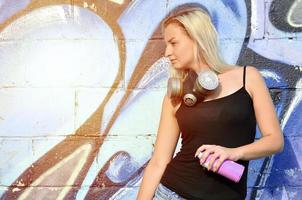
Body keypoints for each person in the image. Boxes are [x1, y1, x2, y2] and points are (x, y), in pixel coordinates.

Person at [137, 6, 284, 200]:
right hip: (172, 194)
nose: (167, 52)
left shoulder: (248, 78)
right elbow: (159, 161)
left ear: (196, 38)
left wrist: (234, 153)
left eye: (173, 43)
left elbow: (275, 140)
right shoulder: (176, 95)